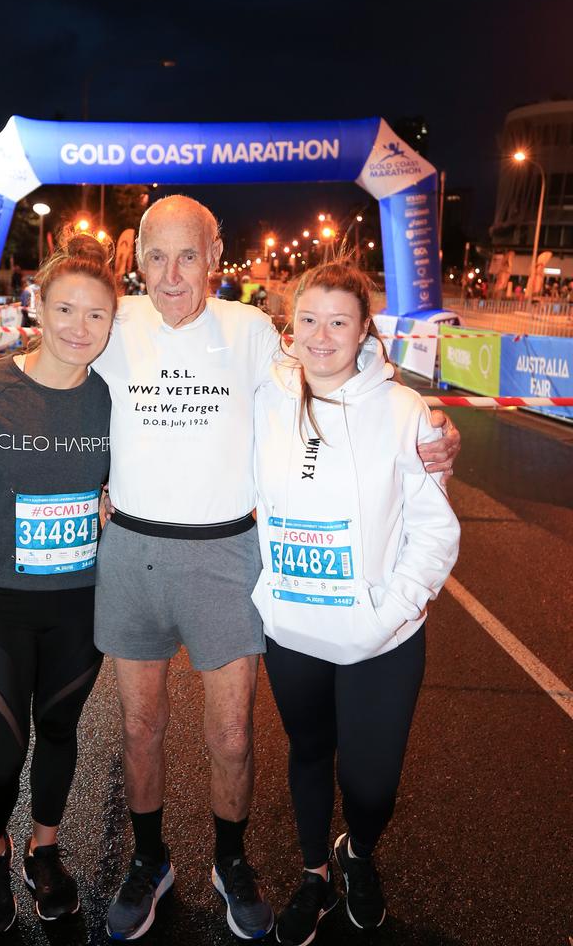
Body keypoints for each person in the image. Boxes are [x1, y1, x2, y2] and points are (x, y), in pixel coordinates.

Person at [0, 195, 461, 942]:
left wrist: (431, 417)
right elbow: (41, 361)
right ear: (134, 260)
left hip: (224, 551)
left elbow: (337, 361)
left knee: (233, 734)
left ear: (214, 259)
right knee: (141, 728)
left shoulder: (248, 332)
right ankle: (150, 861)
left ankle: (230, 861)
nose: (171, 275)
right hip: (132, 551)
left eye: (188, 257)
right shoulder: (112, 327)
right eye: (155, 256)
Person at [252, 263, 460, 945]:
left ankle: (357, 852)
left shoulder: (403, 411)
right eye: (308, 319)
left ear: (364, 329)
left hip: (382, 639)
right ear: (291, 326)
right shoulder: (265, 396)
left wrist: (391, 607)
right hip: (294, 631)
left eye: (339, 321)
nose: (321, 335)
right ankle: (314, 874)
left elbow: (435, 528)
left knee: (371, 787)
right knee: (309, 753)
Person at [0, 231, 115, 935]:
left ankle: (44, 850)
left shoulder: (112, 399)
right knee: (1, 753)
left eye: (96, 315)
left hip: (79, 606)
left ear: (111, 324)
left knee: (60, 731)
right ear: (37, 307)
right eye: (65, 309)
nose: (79, 327)